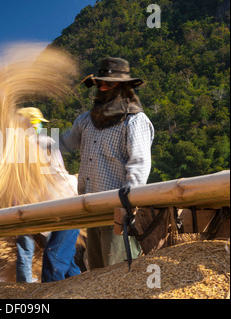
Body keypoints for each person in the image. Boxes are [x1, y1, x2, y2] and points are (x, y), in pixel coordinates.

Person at [60, 57, 154, 269]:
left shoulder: (134, 120)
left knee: (117, 270)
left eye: (109, 83)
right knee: (97, 271)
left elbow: (139, 165)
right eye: (100, 83)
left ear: (123, 87)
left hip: (117, 209)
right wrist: (30, 141)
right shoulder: (86, 120)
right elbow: (65, 143)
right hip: (92, 208)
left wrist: (128, 204)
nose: (103, 87)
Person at [16, 107, 81, 283]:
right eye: (35, 123)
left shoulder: (42, 143)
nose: (37, 126)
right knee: (66, 263)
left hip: (64, 202)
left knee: (53, 262)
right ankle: (83, 289)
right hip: (51, 205)